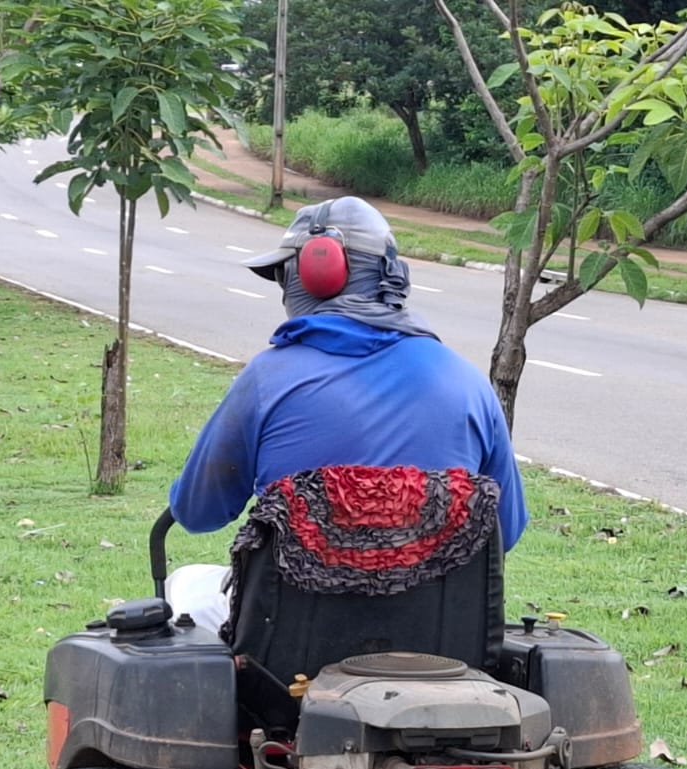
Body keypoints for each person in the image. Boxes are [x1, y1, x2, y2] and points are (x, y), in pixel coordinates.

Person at [165, 196, 527, 629]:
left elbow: (197, 513)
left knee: (187, 582)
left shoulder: (267, 380)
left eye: (285, 276)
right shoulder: (469, 384)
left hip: (285, 645)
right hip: (435, 641)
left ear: (318, 273)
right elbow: (506, 531)